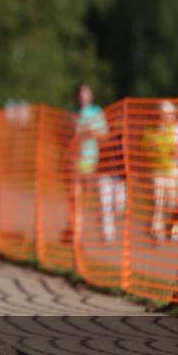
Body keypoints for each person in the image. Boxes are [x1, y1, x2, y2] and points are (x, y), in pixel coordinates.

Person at [71, 84, 124, 244]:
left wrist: (91, 133)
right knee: (76, 198)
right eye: (81, 94)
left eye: (86, 94)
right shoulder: (73, 114)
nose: (83, 97)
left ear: (91, 96)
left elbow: (104, 135)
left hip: (92, 161)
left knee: (91, 198)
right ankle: (76, 232)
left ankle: (96, 223)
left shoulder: (97, 112)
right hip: (75, 162)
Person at [142, 100, 178, 243]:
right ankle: (157, 230)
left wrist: (176, 153)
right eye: (162, 114)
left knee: (173, 202)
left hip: (173, 171)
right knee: (157, 201)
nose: (164, 117)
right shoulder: (152, 130)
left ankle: (173, 228)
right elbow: (144, 148)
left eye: (167, 114)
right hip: (156, 170)